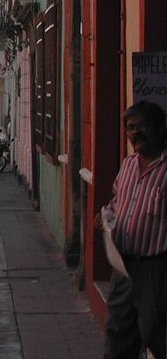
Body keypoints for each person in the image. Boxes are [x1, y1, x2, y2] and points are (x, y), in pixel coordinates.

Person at [103, 101, 167, 359]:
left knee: (155, 331)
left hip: (156, 268)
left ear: (160, 127)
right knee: (119, 331)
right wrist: (105, 214)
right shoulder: (128, 165)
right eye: (130, 127)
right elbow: (118, 201)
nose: (135, 133)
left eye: (143, 126)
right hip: (124, 266)